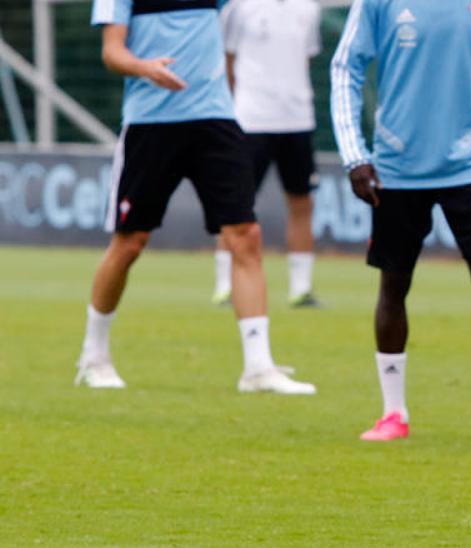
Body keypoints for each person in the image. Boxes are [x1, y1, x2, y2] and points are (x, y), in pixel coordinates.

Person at [76, 0, 316, 394]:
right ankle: (94, 355)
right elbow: (111, 51)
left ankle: (258, 368)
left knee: (246, 235)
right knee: (130, 243)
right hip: (150, 122)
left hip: (215, 119)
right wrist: (144, 67)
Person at [331, 0, 471, 442]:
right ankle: (392, 413)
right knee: (394, 281)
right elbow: (346, 67)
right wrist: (354, 155)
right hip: (398, 163)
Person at [212, 0, 324, 308]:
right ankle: (225, 286)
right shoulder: (239, 7)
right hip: (252, 120)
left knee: (301, 202)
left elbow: (305, 59)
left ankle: (301, 288)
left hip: (298, 119)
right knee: (236, 205)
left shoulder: (308, 9)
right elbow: (227, 62)